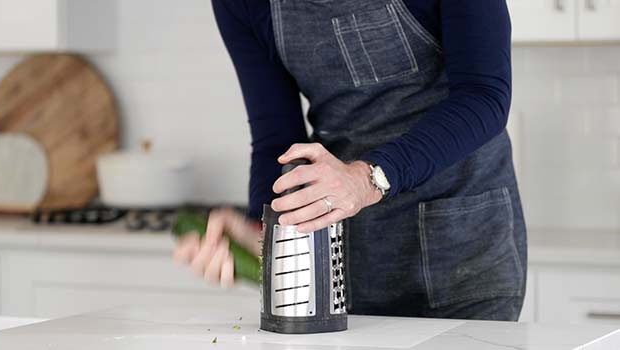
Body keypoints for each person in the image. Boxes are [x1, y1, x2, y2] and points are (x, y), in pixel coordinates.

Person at [174, 0, 527, 321]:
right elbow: (277, 142)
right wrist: (266, 233)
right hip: (351, 259)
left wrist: (368, 178)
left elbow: (484, 97)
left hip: (465, 247)